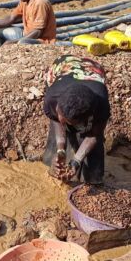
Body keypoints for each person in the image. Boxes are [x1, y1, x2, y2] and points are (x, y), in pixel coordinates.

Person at [42, 55, 110, 184]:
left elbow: (93, 135)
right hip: (62, 67)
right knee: (59, 135)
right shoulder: (52, 98)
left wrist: (76, 161)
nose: (63, 121)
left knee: (88, 138)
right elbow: (56, 120)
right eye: (62, 116)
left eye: (71, 122)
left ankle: (92, 177)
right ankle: (53, 161)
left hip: (92, 71)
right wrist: (60, 150)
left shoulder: (101, 104)